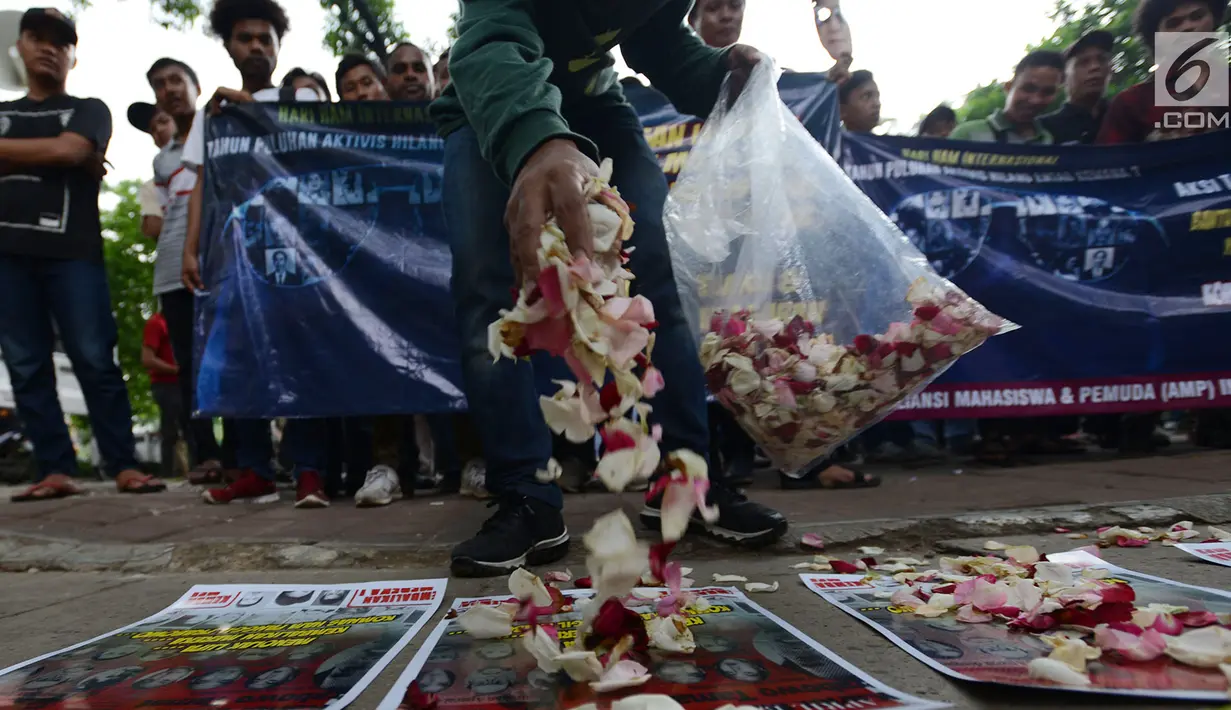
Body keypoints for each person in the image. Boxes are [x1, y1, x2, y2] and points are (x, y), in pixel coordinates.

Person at [434, 0, 786, 578]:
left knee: (657, 281)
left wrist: (716, 74)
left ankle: (686, 480)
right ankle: (527, 497)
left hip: (597, 105)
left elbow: (656, 38)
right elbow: (492, 38)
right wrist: (537, 141)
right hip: (490, 106)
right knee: (492, 296)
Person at [0, 8, 165, 501]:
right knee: (25, 363)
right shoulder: (4, 112)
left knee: (95, 357)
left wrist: (36, 153)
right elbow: (68, 155)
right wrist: (59, 153)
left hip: (75, 254)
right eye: (38, 37)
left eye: (61, 41)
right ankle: (54, 469)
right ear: (22, 45)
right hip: (6, 257)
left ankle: (123, 464)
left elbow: (71, 152)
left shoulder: (89, 109)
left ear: (74, 53)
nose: (49, 48)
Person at [178, 0, 327, 507]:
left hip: (293, 250)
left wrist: (244, 103)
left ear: (280, 45)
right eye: (247, 39)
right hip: (233, 252)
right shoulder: (211, 116)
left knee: (300, 354)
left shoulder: (298, 97)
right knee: (239, 355)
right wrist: (190, 248)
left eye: (266, 38)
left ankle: (310, 470)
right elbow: (202, 183)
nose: (258, 47)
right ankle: (255, 469)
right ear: (229, 46)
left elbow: (314, 147)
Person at [144, 57, 234, 484]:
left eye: (177, 79)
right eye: (160, 84)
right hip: (170, 271)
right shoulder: (161, 161)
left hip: (220, 262)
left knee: (230, 355)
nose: (170, 89)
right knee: (188, 365)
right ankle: (206, 455)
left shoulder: (220, 129)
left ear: (196, 85)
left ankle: (243, 452)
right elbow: (161, 217)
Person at [1098, 0, 1230, 144]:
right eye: (1173, 23)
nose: (1187, 27)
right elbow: (1109, 163)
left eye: (1197, 16)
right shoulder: (1132, 104)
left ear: (1214, 20)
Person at [950, 51, 1065, 144]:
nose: (1036, 100)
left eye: (1047, 92)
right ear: (1009, 87)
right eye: (1028, 89)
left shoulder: (1049, 140)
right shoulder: (968, 134)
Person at [1041, 30, 1114, 145]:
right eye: (1083, 62)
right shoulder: (1044, 129)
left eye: (1102, 59)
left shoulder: (1128, 119)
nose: (1095, 67)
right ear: (1062, 78)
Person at [142, 311, 183, 479]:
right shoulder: (156, 323)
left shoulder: (182, 324)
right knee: (170, 429)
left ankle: (185, 469)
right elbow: (147, 359)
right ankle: (168, 473)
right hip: (166, 384)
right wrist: (176, 370)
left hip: (179, 383)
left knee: (185, 427)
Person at [128, 102, 176, 239]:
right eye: (152, 130)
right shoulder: (151, 187)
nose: (159, 130)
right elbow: (152, 229)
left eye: (163, 121)